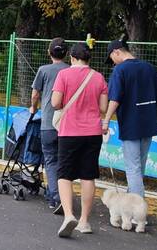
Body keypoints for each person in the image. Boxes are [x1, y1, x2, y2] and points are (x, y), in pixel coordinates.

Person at [103, 39, 157, 197]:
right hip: (149, 124)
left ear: (117, 52)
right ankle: (133, 203)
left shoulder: (120, 71)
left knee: (133, 168)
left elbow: (114, 99)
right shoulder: (148, 67)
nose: (112, 63)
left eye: (111, 59)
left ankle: (137, 211)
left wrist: (106, 120)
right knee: (139, 166)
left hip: (130, 125)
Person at [51, 42, 108, 237]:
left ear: (72, 58)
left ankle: (68, 215)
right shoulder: (98, 77)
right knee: (88, 175)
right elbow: (103, 108)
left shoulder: (64, 75)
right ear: (88, 58)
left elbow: (55, 103)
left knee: (64, 174)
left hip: (69, 131)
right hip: (93, 132)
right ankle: (84, 221)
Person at [29, 37, 69, 214]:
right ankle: (64, 195)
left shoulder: (43, 70)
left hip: (48, 123)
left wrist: (33, 107)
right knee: (63, 161)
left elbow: (35, 94)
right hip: (67, 124)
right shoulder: (71, 70)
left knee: (51, 160)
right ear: (67, 53)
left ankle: (55, 197)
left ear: (49, 52)